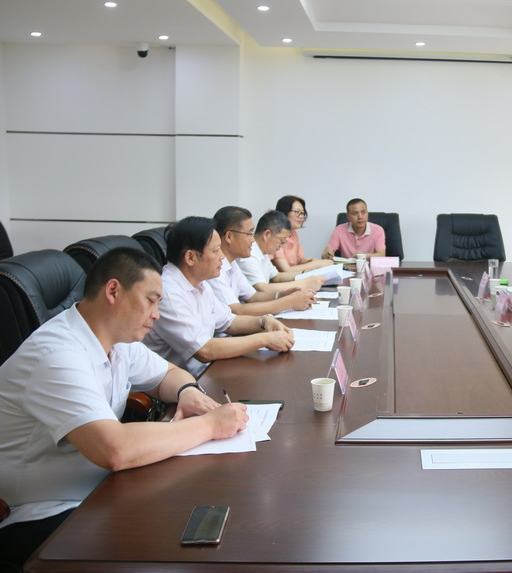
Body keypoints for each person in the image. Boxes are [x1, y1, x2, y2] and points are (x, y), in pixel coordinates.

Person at [0, 248, 248, 568]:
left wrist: (186, 391)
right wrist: (211, 425)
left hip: (103, 489)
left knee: (206, 510)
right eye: (151, 301)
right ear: (113, 291)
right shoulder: (57, 355)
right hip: (45, 514)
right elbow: (114, 449)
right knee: (174, 549)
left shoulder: (117, 341)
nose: (156, 314)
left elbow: (169, 374)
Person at [143, 216, 295, 376]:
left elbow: (228, 321)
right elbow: (204, 350)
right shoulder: (169, 293)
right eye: (216, 251)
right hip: (181, 382)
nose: (222, 256)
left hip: (206, 371)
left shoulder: (200, 283)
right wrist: (265, 339)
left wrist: (263, 321)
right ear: (190, 257)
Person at [210, 206, 317, 315]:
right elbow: (236, 310)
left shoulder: (232, 263)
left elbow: (253, 296)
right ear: (229, 236)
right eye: (249, 234)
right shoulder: (215, 269)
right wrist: (290, 302)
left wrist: (283, 294)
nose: (253, 240)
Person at [236, 210, 325, 293]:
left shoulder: (262, 252)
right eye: (281, 241)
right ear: (267, 234)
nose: (281, 246)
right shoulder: (249, 255)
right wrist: (305, 283)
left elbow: (277, 277)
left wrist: (306, 272)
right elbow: (262, 288)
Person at [271, 195, 333, 274]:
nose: (301, 217)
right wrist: (318, 264)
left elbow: (299, 261)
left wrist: (310, 261)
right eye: (297, 212)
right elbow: (286, 270)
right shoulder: (275, 235)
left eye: (302, 213)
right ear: (284, 212)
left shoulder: (294, 233)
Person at [321, 198, 386, 260]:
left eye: (363, 212)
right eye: (355, 213)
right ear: (348, 216)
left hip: (370, 267)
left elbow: (381, 255)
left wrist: (363, 256)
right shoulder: (339, 230)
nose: (360, 217)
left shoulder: (378, 230)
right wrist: (327, 254)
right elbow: (324, 254)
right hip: (347, 267)